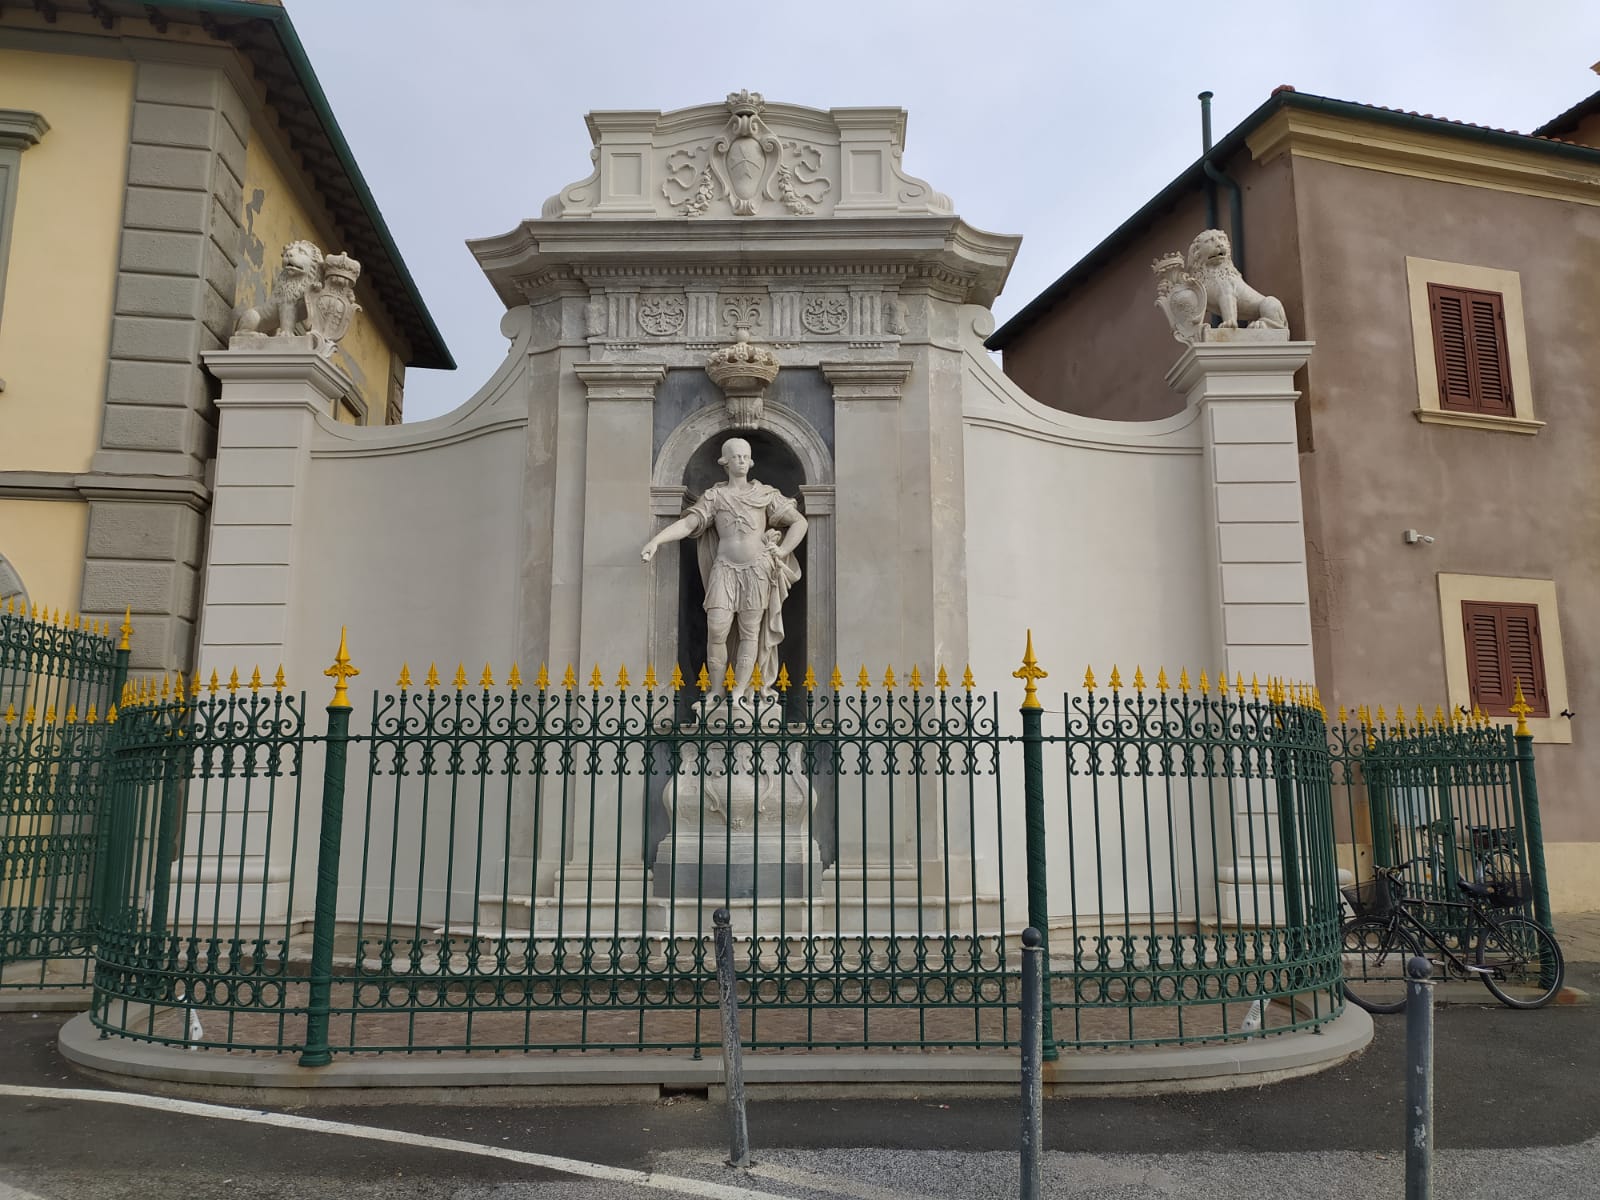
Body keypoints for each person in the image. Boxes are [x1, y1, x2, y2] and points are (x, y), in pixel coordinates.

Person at [641, 438, 807, 704]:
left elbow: (799, 522)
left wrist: (783, 550)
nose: (741, 460)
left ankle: (740, 692)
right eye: (736, 456)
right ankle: (716, 691)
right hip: (724, 569)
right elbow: (687, 525)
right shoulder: (714, 497)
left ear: (751, 461)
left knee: (750, 632)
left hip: (757, 569)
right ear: (724, 462)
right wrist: (656, 541)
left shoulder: (765, 494)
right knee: (716, 628)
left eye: (745, 456)